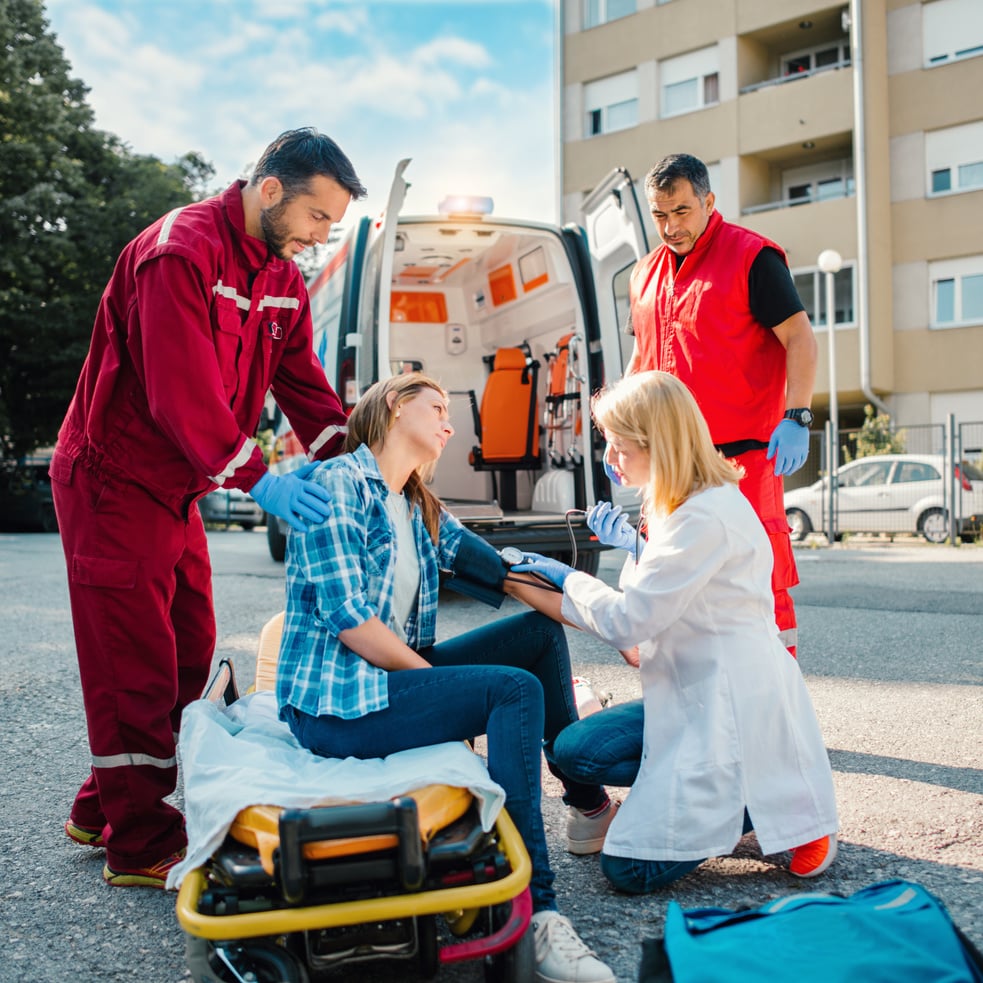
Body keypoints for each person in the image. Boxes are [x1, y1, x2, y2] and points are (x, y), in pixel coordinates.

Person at [51, 128, 367, 888]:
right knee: (137, 666)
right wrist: (259, 478)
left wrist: (359, 465)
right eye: (319, 218)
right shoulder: (178, 253)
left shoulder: (280, 278)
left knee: (191, 650)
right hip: (114, 482)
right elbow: (177, 393)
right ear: (269, 191)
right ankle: (141, 843)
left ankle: (103, 804)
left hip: (176, 488)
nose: (323, 237)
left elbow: (306, 390)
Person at [275, 372, 616, 983]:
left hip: (386, 683)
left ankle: (586, 803)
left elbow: (506, 576)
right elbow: (352, 622)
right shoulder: (337, 486)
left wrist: (619, 625)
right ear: (392, 406)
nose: (449, 422)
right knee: (512, 690)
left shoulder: (417, 506)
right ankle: (535, 911)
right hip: (336, 707)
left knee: (536, 638)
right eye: (436, 406)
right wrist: (440, 685)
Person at [512, 371, 839, 893]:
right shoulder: (677, 502)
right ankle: (712, 803)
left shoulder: (703, 516)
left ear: (657, 444)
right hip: (688, 695)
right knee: (576, 751)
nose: (610, 460)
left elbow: (627, 619)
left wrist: (566, 577)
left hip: (729, 709)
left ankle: (760, 806)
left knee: (628, 870)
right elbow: (647, 607)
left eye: (618, 447)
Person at [624, 152, 818, 655]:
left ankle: (776, 706)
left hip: (742, 461)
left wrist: (798, 415)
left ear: (709, 202)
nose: (670, 226)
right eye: (660, 215)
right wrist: (622, 434)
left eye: (682, 212)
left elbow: (799, 338)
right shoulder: (643, 276)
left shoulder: (753, 258)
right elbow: (640, 358)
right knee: (669, 577)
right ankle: (685, 700)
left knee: (756, 580)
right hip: (668, 462)